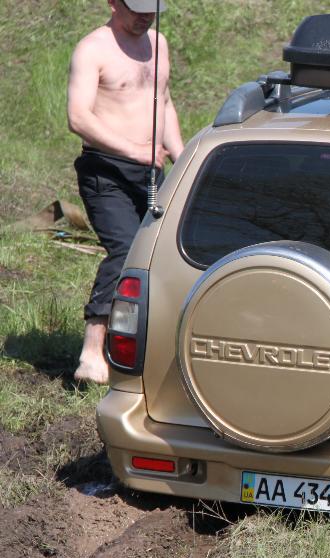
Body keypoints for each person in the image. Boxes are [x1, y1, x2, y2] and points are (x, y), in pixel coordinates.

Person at [67, 0, 183, 383]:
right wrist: (133, 150)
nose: (145, 16)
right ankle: (91, 353)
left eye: (151, 9)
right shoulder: (93, 49)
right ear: (113, 3)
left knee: (161, 254)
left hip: (151, 171)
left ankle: (140, 346)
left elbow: (164, 102)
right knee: (126, 250)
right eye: (136, 9)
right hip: (106, 171)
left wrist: (182, 158)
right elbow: (78, 116)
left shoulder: (158, 43)